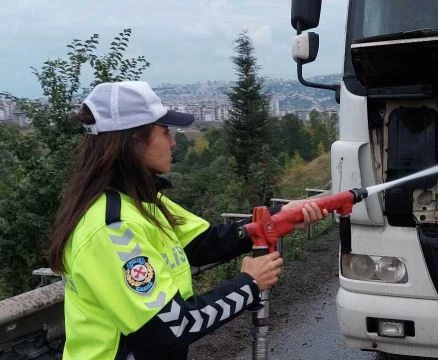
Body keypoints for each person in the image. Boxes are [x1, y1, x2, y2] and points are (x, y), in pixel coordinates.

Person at [47, 80, 328, 360]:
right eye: (165, 131)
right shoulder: (112, 227)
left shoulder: (143, 201)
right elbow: (170, 329)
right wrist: (249, 284)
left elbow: (205, 243)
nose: (173, 142)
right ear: (133, 138)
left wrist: (280, 218)